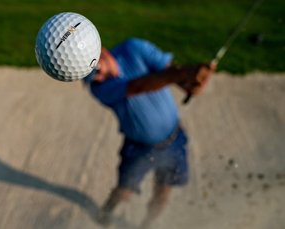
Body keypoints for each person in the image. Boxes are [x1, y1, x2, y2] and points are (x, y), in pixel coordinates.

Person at [83, 38, 215, 229]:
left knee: (163, 193)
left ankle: (147, 224)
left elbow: (171, 72)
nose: (98, 78)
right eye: (91, 78)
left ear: (101, 51)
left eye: (95, 71)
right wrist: (183, 74)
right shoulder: (99, 89)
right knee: (125, 190)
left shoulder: (134, 47)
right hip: (138, 148)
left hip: (174, 139)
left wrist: (192, 82)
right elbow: (139, 86)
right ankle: (106, 212)